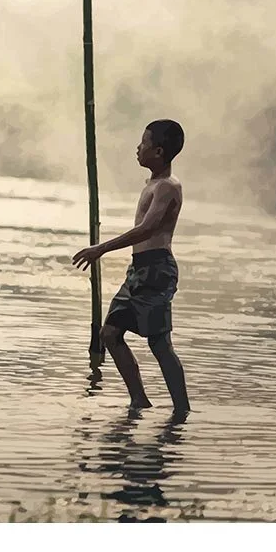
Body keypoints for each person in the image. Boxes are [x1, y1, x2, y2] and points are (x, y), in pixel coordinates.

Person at [72, 119, 190, 416]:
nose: (138, 148)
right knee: (110, 333)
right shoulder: (152, 184)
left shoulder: (167, 187)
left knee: (159, 343)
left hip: (157, 270)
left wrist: (101, 248)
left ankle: (182, 410)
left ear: (159, 151)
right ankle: (139, 400)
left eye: (144, 143)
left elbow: (147, 229)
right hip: (139, 270)